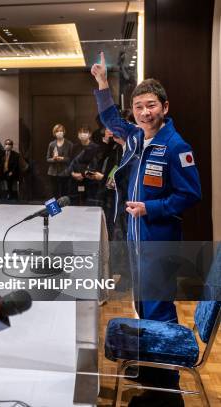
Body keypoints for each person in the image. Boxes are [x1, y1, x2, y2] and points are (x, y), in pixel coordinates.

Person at [92, 52, 201, 404]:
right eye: (138, 107)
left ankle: (167, 390)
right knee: (143, 308)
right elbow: (110, 117)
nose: (143, 113)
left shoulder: (175, 146)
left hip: (159, 242)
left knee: (159, 311)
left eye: (150, 106)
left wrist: (150, 207)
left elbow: (190, 194)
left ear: (165, 107)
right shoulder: (137, 138)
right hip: (137, 241)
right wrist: (103, 86)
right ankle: (153, 376)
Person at [69, 126, 101, 206]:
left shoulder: (95, 147)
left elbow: (96, 165)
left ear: (89, 134)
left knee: (89, 204)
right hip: (75, 180)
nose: (82, 134)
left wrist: (84, 175)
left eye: (85, 132)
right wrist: (72, 173)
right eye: (80, 132)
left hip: (90, 181)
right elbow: (71, 162)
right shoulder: (74, 147)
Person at [46, 124, 73, 198]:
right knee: (54, 193)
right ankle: (54, 209)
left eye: (61, 131)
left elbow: (72, 159)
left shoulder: (69, 144)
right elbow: (48, 159)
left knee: (65, 193)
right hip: (53, 172)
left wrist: (63, 159)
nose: (59, 132)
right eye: (57, 131)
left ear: (64, 132)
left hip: (65, 172)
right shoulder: (51, 144)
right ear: (54, 133)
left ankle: (65, 209)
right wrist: (54, 159)